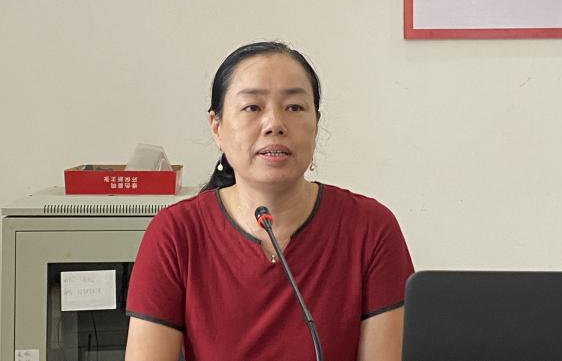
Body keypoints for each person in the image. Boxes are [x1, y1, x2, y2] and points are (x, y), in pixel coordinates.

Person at [125, 41, 414, 361]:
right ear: (217, 128)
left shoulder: (370, 228)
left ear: (316, 124)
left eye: (294, 107)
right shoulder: (175, 233)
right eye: (252, 107)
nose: (275, 124)